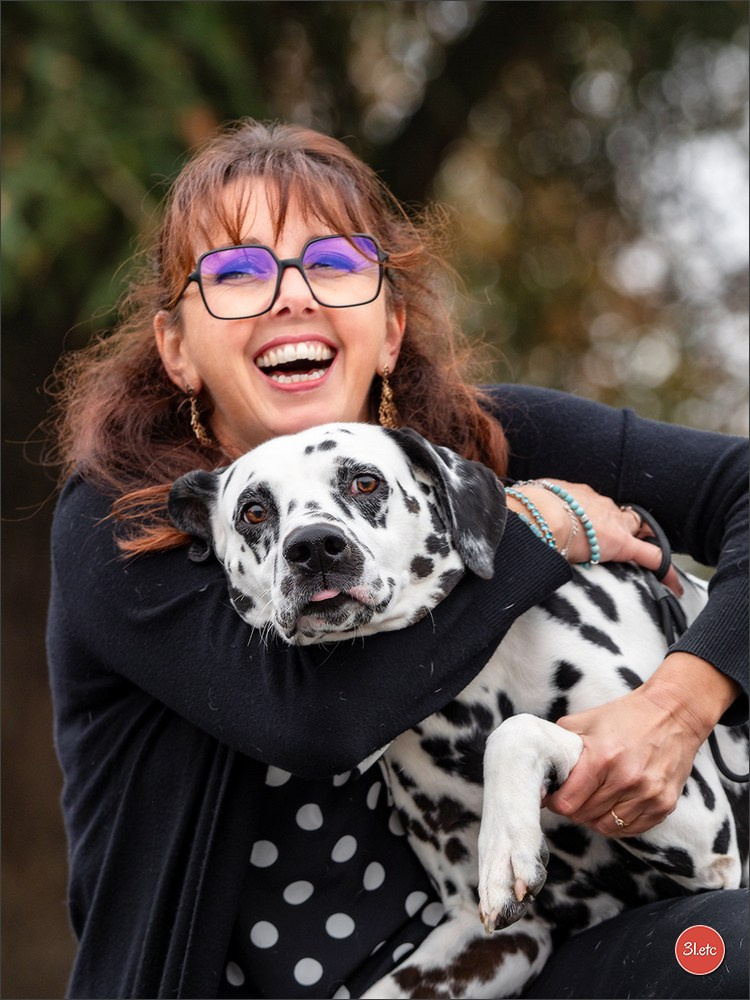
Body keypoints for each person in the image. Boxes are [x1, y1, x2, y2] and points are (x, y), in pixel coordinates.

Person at [44, 118, 747, 1000]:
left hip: (513, 963)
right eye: (236, 274)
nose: (289, 296)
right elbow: (312, 720)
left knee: (730, 953)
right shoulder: (126, 515)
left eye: (332, 262)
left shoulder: (484, 444)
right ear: (178, 350)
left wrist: (679, 706)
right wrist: (538, 528)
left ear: (390, 326)